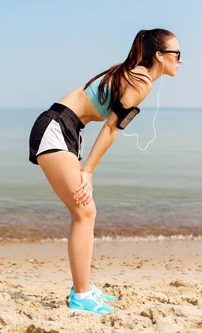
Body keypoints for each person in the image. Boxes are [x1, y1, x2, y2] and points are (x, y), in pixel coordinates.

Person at [28, 28, 182, 315]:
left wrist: (87, 168)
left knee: (86, 212)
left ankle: (82, 287)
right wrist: (88, 172)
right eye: (177, 54)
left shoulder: (134, 75)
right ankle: (81, 296)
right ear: (160, 56)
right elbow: (111, 128)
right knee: (84, 212)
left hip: (68, 129)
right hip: (56, 128)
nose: (181, 60)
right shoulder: (140, 80)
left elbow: (110, 126)